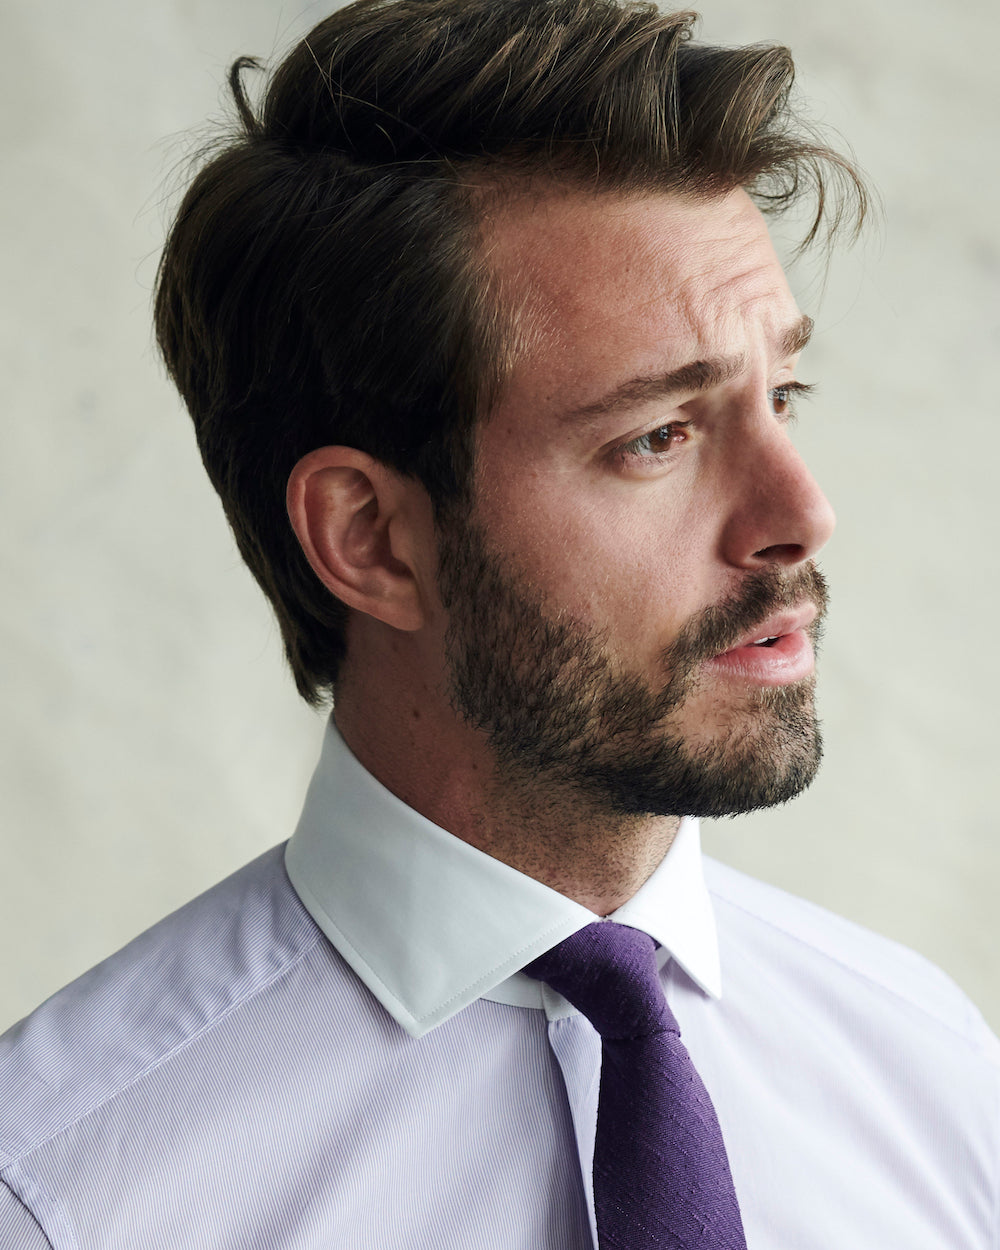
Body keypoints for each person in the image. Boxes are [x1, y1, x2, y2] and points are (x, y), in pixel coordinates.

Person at [1, 0, 997, 1245]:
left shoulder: (933, 1068)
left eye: (781, 393)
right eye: (658, 437)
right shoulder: (66, 1191)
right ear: (371, 537)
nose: (801, 512)